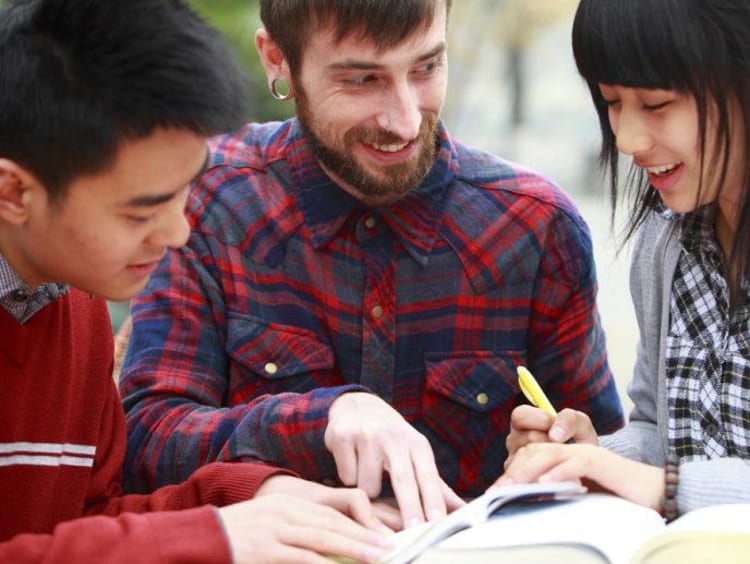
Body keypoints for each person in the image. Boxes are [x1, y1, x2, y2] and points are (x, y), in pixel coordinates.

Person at [119, 0, 624, 528]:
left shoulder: (537, 229)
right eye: (362, 79)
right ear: (278, 61)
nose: (405, 121)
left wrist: (575, 455)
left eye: (426, 67)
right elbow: (144, 442)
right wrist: (320, 419)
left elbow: (604, 457)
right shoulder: (203, 202)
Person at [0, 0, 394, 562]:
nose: (178, 233)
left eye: (186, 191)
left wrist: (250, 497)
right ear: (15, 193)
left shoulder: (74, 303)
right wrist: (214, 537)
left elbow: (92, 521)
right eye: (140, 212)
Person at [499, 0, 750, 519]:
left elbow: (665, 479)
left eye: (657, 105)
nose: (627, 139)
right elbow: (659, 428)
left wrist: (660, 486)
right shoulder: (664, 246)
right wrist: (590, 459)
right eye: (612, 103)